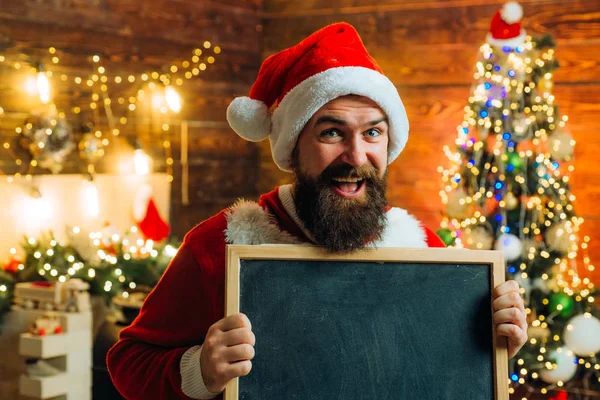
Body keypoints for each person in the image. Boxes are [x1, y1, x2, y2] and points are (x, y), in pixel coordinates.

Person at [107, 22, 527, 399]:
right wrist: (200, 370)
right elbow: (128, 365)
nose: (355, 155)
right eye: (331, 132)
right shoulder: (218, 246)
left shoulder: (424, 250)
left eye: (373, 132)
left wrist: (491, 345)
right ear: (294, 147)